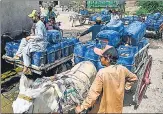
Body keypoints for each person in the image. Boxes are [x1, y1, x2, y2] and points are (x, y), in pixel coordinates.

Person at [75, 45, 138, 113]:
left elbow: (93, 94)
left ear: (107, 59)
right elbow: (134, 78)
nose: (99, 59)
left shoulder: (102, 73)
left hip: (104, 110)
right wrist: (126, 87)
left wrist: (82, 107)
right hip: (117, 108)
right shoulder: (122, 69)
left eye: (101, 57)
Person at [13, 10, 48, 74]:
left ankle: (26, 67)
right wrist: (32, 36)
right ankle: (18, 55)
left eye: (32, 17)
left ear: (36, 17)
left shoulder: (39, 25)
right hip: (38, 41)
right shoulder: (38, 24)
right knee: (24, 40)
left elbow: (40, 37)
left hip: (41, 44)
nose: (32, 19)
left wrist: (30, 37)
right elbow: (38, 35)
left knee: (25, 49)